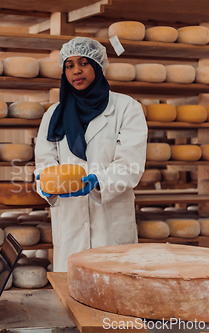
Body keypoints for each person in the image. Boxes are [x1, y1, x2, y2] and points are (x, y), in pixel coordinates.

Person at [34, 37, 148, 272]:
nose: (76, 71)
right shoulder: (53, 114)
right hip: (70, 221)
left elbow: (130, 164)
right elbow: (44, 163)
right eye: (69, 65)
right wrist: (45, 184)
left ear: (97, 66)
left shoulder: (126, 108)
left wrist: (99, 182)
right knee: (72, 293)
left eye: (83, 63)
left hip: (111, 223)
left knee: (115, 293)